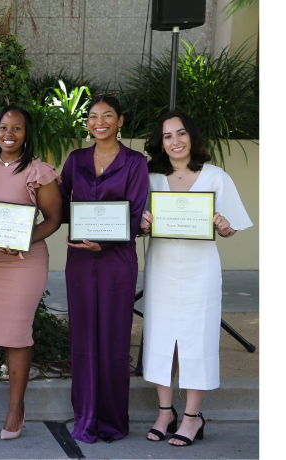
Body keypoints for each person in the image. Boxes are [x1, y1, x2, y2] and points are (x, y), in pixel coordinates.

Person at [139, 111, 252, 447]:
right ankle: (164, 412)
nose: (176, 141)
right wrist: (142, 223)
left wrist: (224, 227)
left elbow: (230, 227)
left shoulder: (215, 176)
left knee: (196, 338)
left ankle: (191, 416)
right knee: (161, 338)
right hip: (160, 266)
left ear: (193, 136)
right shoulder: (149, 177)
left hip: (200, 270)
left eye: (182, 133)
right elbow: (133, 220)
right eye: (168, 135)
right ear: (160, 142)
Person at [0, 105, 63, 440]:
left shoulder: (38, 171)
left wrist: (23, 239)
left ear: (27, 133)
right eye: (3, 127)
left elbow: (53, 218)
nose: (9, 133)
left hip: (24, 262)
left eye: (17, 128)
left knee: (17, 334)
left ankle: (16, 407)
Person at [58, 95, 149, 443]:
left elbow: (136, 212)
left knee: (113, 338)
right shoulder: (76, 159)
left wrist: (106, 242)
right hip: (80, 259)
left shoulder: (135, 162)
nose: (100, 122)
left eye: (107, 115)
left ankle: (111, 420)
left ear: (120, 121)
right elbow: (64, 205)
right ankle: (86, 416)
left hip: (117, 261)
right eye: (93, 116)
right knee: (82, 337)